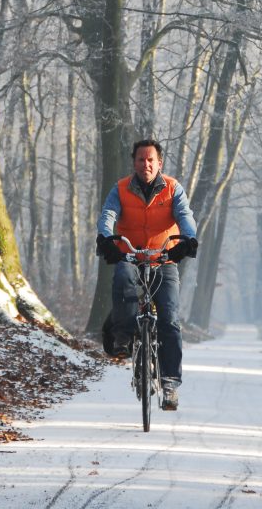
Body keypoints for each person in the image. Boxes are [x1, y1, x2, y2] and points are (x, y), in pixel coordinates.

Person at [96, 138, 198, 411]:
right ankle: (123, 338)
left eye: (151, 159)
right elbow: (108, 214)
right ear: (134, 162)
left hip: (163, 259)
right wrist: (106, 238)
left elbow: (185, 216)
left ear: (159, 163)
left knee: (169, 318)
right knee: (123, 279)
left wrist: (188, 239)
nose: (146, 164)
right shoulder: (120, 189)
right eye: (141, 159)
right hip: (130, 255)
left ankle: (170, 384)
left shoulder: (173, 189)